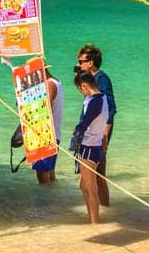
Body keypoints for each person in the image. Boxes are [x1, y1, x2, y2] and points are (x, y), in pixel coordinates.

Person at [68, 69, 110, 224]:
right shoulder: (102, 97)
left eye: (80, 89)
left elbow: (85, 123)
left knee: (90, 187)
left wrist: (76, 129)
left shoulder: (94, 101)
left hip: (89, 147)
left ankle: (94, 222)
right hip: (95, 145)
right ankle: (92, 217)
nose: (81, 92)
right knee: (83, 185)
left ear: (84, 86)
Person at [77, 44, 116, 208]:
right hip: (92, 135)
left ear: (91, 62)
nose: (79, 65)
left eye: (81, 61)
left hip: (98, 135)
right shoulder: (90, 79)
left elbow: (111, 108)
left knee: (98, 176)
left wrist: (105, 136)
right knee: (94, 177)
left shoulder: (101, 79)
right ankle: (103, 211)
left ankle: (102, 211)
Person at [32, 68, 64, 184]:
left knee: (42, 174)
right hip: (54, 133)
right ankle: (52, 199)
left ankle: (44, 201)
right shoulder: (57, 81)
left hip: (46, 135)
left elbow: (44, 109)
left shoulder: (49, 84)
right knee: (50, 171)